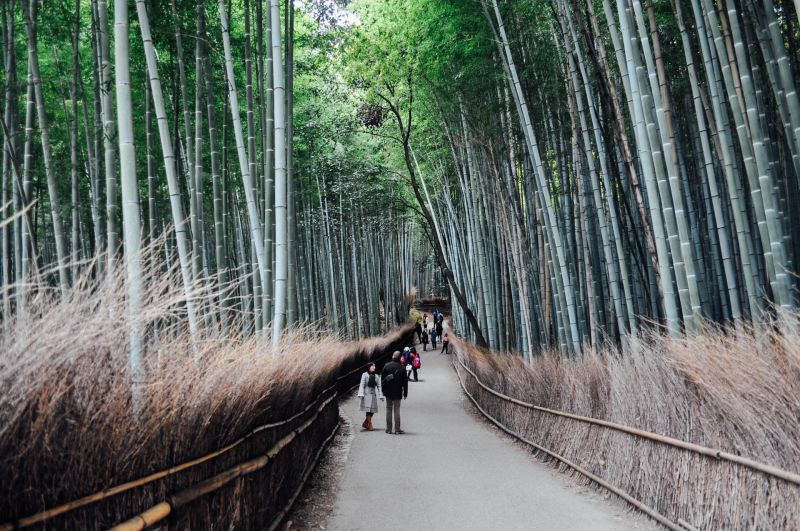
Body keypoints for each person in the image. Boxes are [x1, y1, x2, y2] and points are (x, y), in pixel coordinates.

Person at [381, 351, 408, 434]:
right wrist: (405, 393)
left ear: (393, 356)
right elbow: (405, 382)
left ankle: (388, 429)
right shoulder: (402, 368)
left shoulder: (386, 366)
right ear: (400, 358)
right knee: (397, 409)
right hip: (397, 392)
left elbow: (382, 379)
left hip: (388, 391)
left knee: (388, 409)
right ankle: (397, 429)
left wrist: (383, 390)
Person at [357, 363, 384, 431]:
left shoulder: (377, 376)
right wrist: (361, 393)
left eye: (374, 366)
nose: (374, 367)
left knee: (372, 410)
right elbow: (362, 384)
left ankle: (365, 422)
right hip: (367, 394)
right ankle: (370, 424)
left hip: (373, 394)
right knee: (369, 410)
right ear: (369, 367)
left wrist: (381, 395)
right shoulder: (365, 375)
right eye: (372, 366)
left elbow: (379, 386)